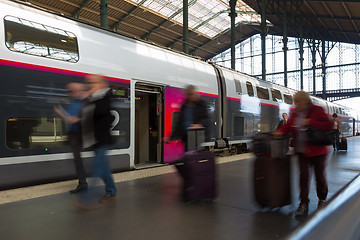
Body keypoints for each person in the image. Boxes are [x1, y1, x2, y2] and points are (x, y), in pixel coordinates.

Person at [274, 91, 333, 217]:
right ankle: (303, 203)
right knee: (303, 177)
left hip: (318, 151)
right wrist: (280, 132)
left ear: (305, 101)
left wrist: (310, 121)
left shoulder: (317, 110)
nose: (296, 105)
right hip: (301, 151)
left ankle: (322, 198)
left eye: (298, 102)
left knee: (319, 176)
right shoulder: (295, 113)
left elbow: (328, 124)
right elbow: (289, 125)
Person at [75, 75, 117, 208]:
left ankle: (85, 201)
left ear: (101, 84)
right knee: (104, 169)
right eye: (88, 83)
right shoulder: (92, 99)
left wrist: (89, 98)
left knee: (96, 168)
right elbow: (86, 117)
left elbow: (101, 111)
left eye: (92, 83)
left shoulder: (105, 97)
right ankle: (111, 191)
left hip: (103, 140)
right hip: (94, 140)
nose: (89, 85)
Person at [54, 83, 88, 193]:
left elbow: (88, 118)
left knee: (80, 160)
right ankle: (82, 183)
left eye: (71, 91)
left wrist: (76, 119)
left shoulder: (85, 102)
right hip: (74, 134)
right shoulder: (74, 102)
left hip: (81, 135)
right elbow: (69, 118)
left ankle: (84, 184)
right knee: (77, 159)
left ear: (78, 91)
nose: (68, 93)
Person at [169, 85, 210, 151]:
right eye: (189, 94)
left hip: (198, 137)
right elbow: (180, 123)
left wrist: (199, 125)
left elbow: (206, 119)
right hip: (187, 138)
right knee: (188, 156)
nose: (192, 96)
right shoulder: (184, 106)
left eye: (192, 94)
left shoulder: (201, 104)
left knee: (194, 157)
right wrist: (171, 137)